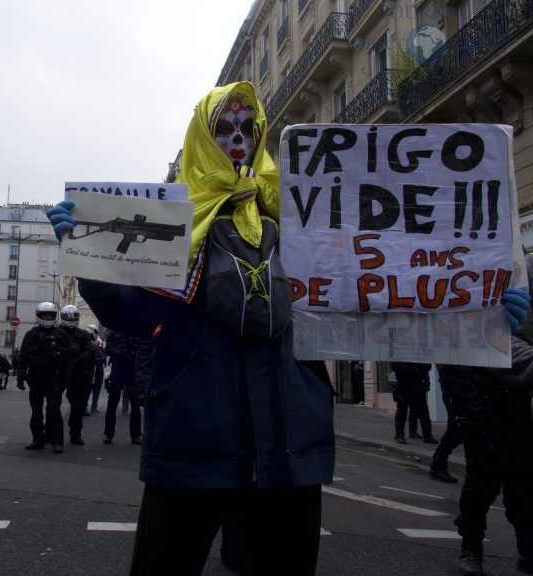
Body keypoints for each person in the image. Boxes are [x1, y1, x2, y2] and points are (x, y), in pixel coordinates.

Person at [48, 81, 335, 575]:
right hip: (195, 436)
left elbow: (368, 296)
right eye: (223, 128)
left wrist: (482, 304)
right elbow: (134, 314)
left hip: (286, 444)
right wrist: (90, 261)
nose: (238, 138)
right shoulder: (178, 221)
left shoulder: (301, 215)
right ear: (204, 137)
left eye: (248, 127)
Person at [435, 284, 533, 576]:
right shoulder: (467, 301)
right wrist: (466, 410)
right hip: (483, 412)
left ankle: (527, 552)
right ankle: (471, 548)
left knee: (525, 490)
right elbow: (469, 352)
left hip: (521, 415)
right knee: (479, 488)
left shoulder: (518, 282)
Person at [17, 302, 69, 454]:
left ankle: (57, 442)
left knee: (54, 412)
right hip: (36, 379)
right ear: (39, 316)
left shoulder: (61, 335)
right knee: (36, 412)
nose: (47, 317)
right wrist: (20, 378)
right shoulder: (31, 334)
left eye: (50, 315)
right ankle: (37, 440)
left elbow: (67, 360)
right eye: (45, 315)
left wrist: (65, 380)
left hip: (54, 379)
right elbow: (23, 357)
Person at [103, 330, 150, 445]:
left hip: (131, 371)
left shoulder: (135, 331)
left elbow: (141, 348)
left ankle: (136, 434)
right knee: (112, 404)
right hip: (118, 370)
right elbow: (108, 348)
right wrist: (122, 354)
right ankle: (108, 434)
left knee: (135, 405)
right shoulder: (114, 331)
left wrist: (130, 355)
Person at [59, 305, 93, 445]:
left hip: (78, 373)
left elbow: (88, 351)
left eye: (74, 317)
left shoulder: (83, 334)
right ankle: (51, 434)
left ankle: (75, 434)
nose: (71, 320)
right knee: (53, 405)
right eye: (69, 317)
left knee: (77, 406)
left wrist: (76, 359)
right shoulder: (58, 332)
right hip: (59, 372)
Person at [391, 362, 439, 445]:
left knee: (423, 412)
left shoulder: (419, 357)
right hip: (403, 386)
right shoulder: (399, 356)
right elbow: (395, 366)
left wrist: (417, 370)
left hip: (418, 385)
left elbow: (427, 366)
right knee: (402, 412)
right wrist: (414, 370)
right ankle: (400, 435)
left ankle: (426, 435)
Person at [86, 326, 106, 414]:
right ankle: (84, 407)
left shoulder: (99, 346)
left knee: (96, 391)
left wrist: (98, 349)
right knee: (87, 391)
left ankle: (94, 407)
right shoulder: (86, 344)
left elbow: (102, 358)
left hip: (97, 373)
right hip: (89, 373)